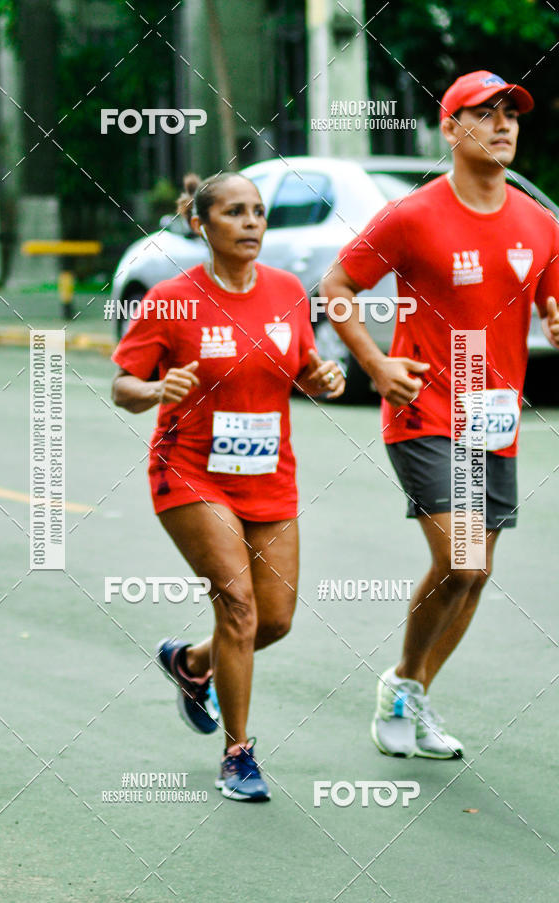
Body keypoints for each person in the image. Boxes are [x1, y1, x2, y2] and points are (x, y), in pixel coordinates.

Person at [320, 71, 559, 759]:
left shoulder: (539, 223)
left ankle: (408, 689)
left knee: (474, 571)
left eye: (511, 112)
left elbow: (551, 300)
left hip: (495, 416)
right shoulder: (411, 216)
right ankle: (404, 684)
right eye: (485, 113)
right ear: (451, 130)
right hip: (424, 408)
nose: (504, 123)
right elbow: (336, 284)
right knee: (461, 558)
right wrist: (375, 363)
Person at [111, 171, 345, 800]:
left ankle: (190, 664)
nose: (250, 223)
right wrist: (158, 389)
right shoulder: (168, 299)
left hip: (269, 476)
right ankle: (238, 754)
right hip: (189, 472)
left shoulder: (289, 291)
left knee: (274, 620)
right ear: (201, 224)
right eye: (234, 212)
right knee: (238, 607)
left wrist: (320, 380)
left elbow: (299, 369)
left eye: (258, 213)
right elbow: (123, 386)